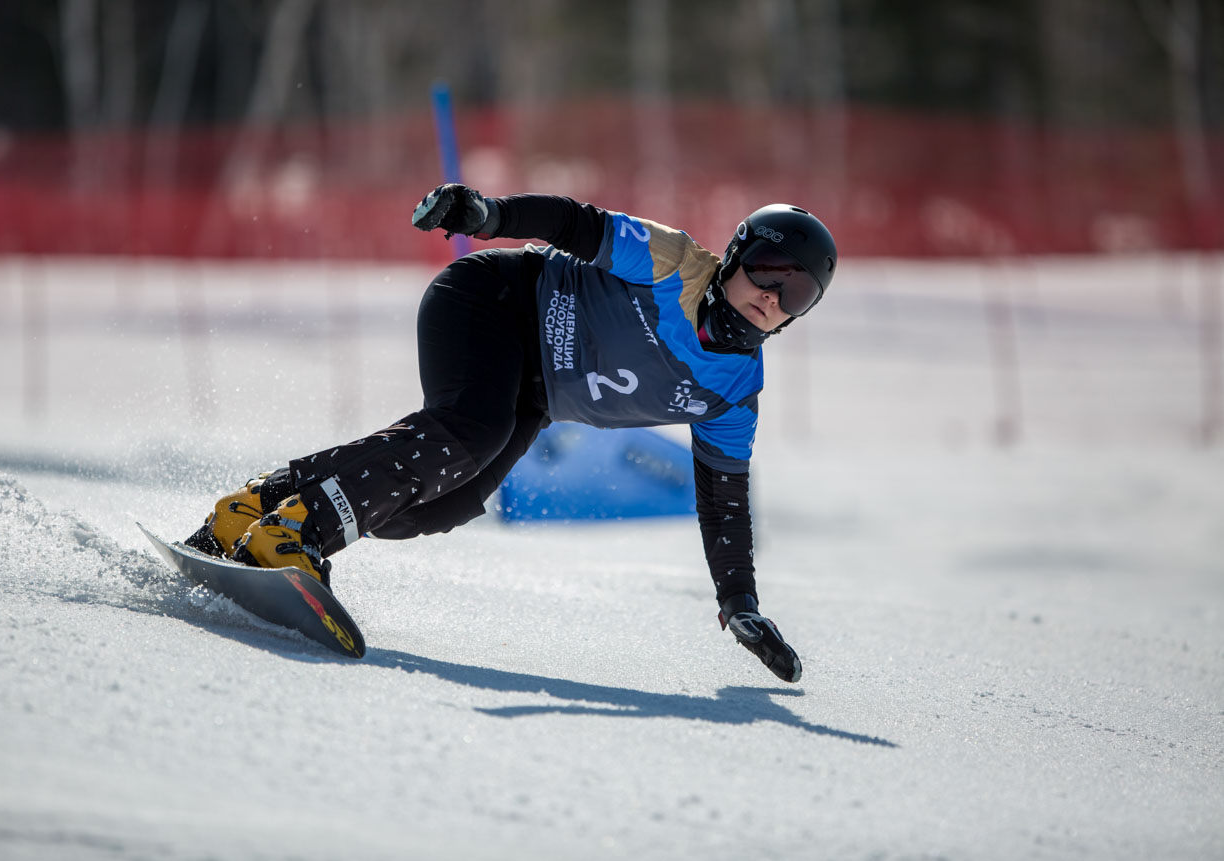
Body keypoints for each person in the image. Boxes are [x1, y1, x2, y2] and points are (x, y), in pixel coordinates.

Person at [183, 185, 836, 683]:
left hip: (535, 393)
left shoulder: (734, 392)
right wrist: (488, 216)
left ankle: (255, 507)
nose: (774, 295)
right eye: (769, 269)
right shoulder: (676, 264)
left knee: (440, 505)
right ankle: (296, 531)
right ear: (737, 255)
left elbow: (722, 501)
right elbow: (574, 224)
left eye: (798, 291)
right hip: (493, 300)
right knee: (466, 434)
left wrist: (739, 600)